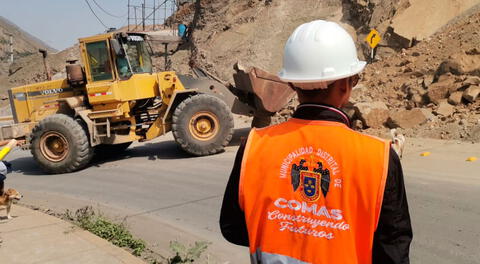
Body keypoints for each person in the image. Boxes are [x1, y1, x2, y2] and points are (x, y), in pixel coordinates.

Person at [220, 20, 412, 264]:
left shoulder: (254, 146)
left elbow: (233, 228)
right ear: (345, 84)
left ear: (291, 84)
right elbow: (394, 252)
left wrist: (289, 227)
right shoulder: (380, 158)